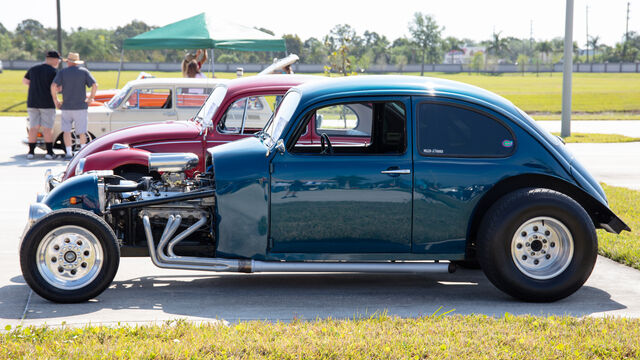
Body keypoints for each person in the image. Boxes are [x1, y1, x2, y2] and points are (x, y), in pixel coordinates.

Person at [51, 52, 98, 159]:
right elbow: (95, 85)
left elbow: (53, 86)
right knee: (82, 131)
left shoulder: (63, 72)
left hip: (66, 106)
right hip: (81, 106)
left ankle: (68, 152)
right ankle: (82, 152)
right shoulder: (84, 72)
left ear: (68, 62)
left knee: (66, 131)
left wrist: (56, 100)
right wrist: (90, 98)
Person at [23, 50, 61, 159]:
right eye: (58, 60)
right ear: (53, 59)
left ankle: (31, 152)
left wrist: (35, 86)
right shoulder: (53, 71)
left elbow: (25, 81)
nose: (58, 62)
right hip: (47, 103)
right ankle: (49, 152)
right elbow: (57, 87)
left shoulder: (33, 69)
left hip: (32, 102)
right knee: (47, 128)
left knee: (33, 127)